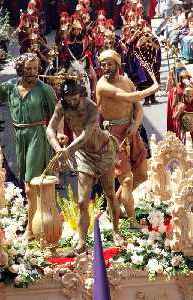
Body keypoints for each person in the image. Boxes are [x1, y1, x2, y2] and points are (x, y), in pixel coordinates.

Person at [0, 52, 57, 240]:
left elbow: (57, 114)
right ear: (20, 70)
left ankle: (30, 229)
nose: (33, 72)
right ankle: (40, 222)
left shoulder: (44, 90)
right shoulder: (12, 87)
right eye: (28, 69)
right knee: (31, 183)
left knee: (29, 185)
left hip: (37, 135)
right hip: (20, 136)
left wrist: (58, 135)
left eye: (35, 68)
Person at [46, 79, 120, 253]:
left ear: (80, 94)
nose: (71, 101)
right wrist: (58, 148)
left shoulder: (91, 107)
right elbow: (50, 129)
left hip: (103, 151)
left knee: (110, 193)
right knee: (81, 201)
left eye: (74, 98)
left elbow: (87, 134)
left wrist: (68, 150)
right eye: (68, 98)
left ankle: (116, 231)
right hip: (84, 155)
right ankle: (81, 241)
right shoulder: (61, 106)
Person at [96, 49, 159, 228]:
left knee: (142, 175)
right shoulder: (102, 86)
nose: (106, 68)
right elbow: (132, 97)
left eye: (110, 64)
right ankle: (132, 222)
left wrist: (135, 125)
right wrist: (153, 89)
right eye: (103, 64)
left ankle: (113, 204)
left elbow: (138, 108)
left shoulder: (127, 81)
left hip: (131, 133)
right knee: (127, 179)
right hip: (114, 136)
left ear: (117, 64)